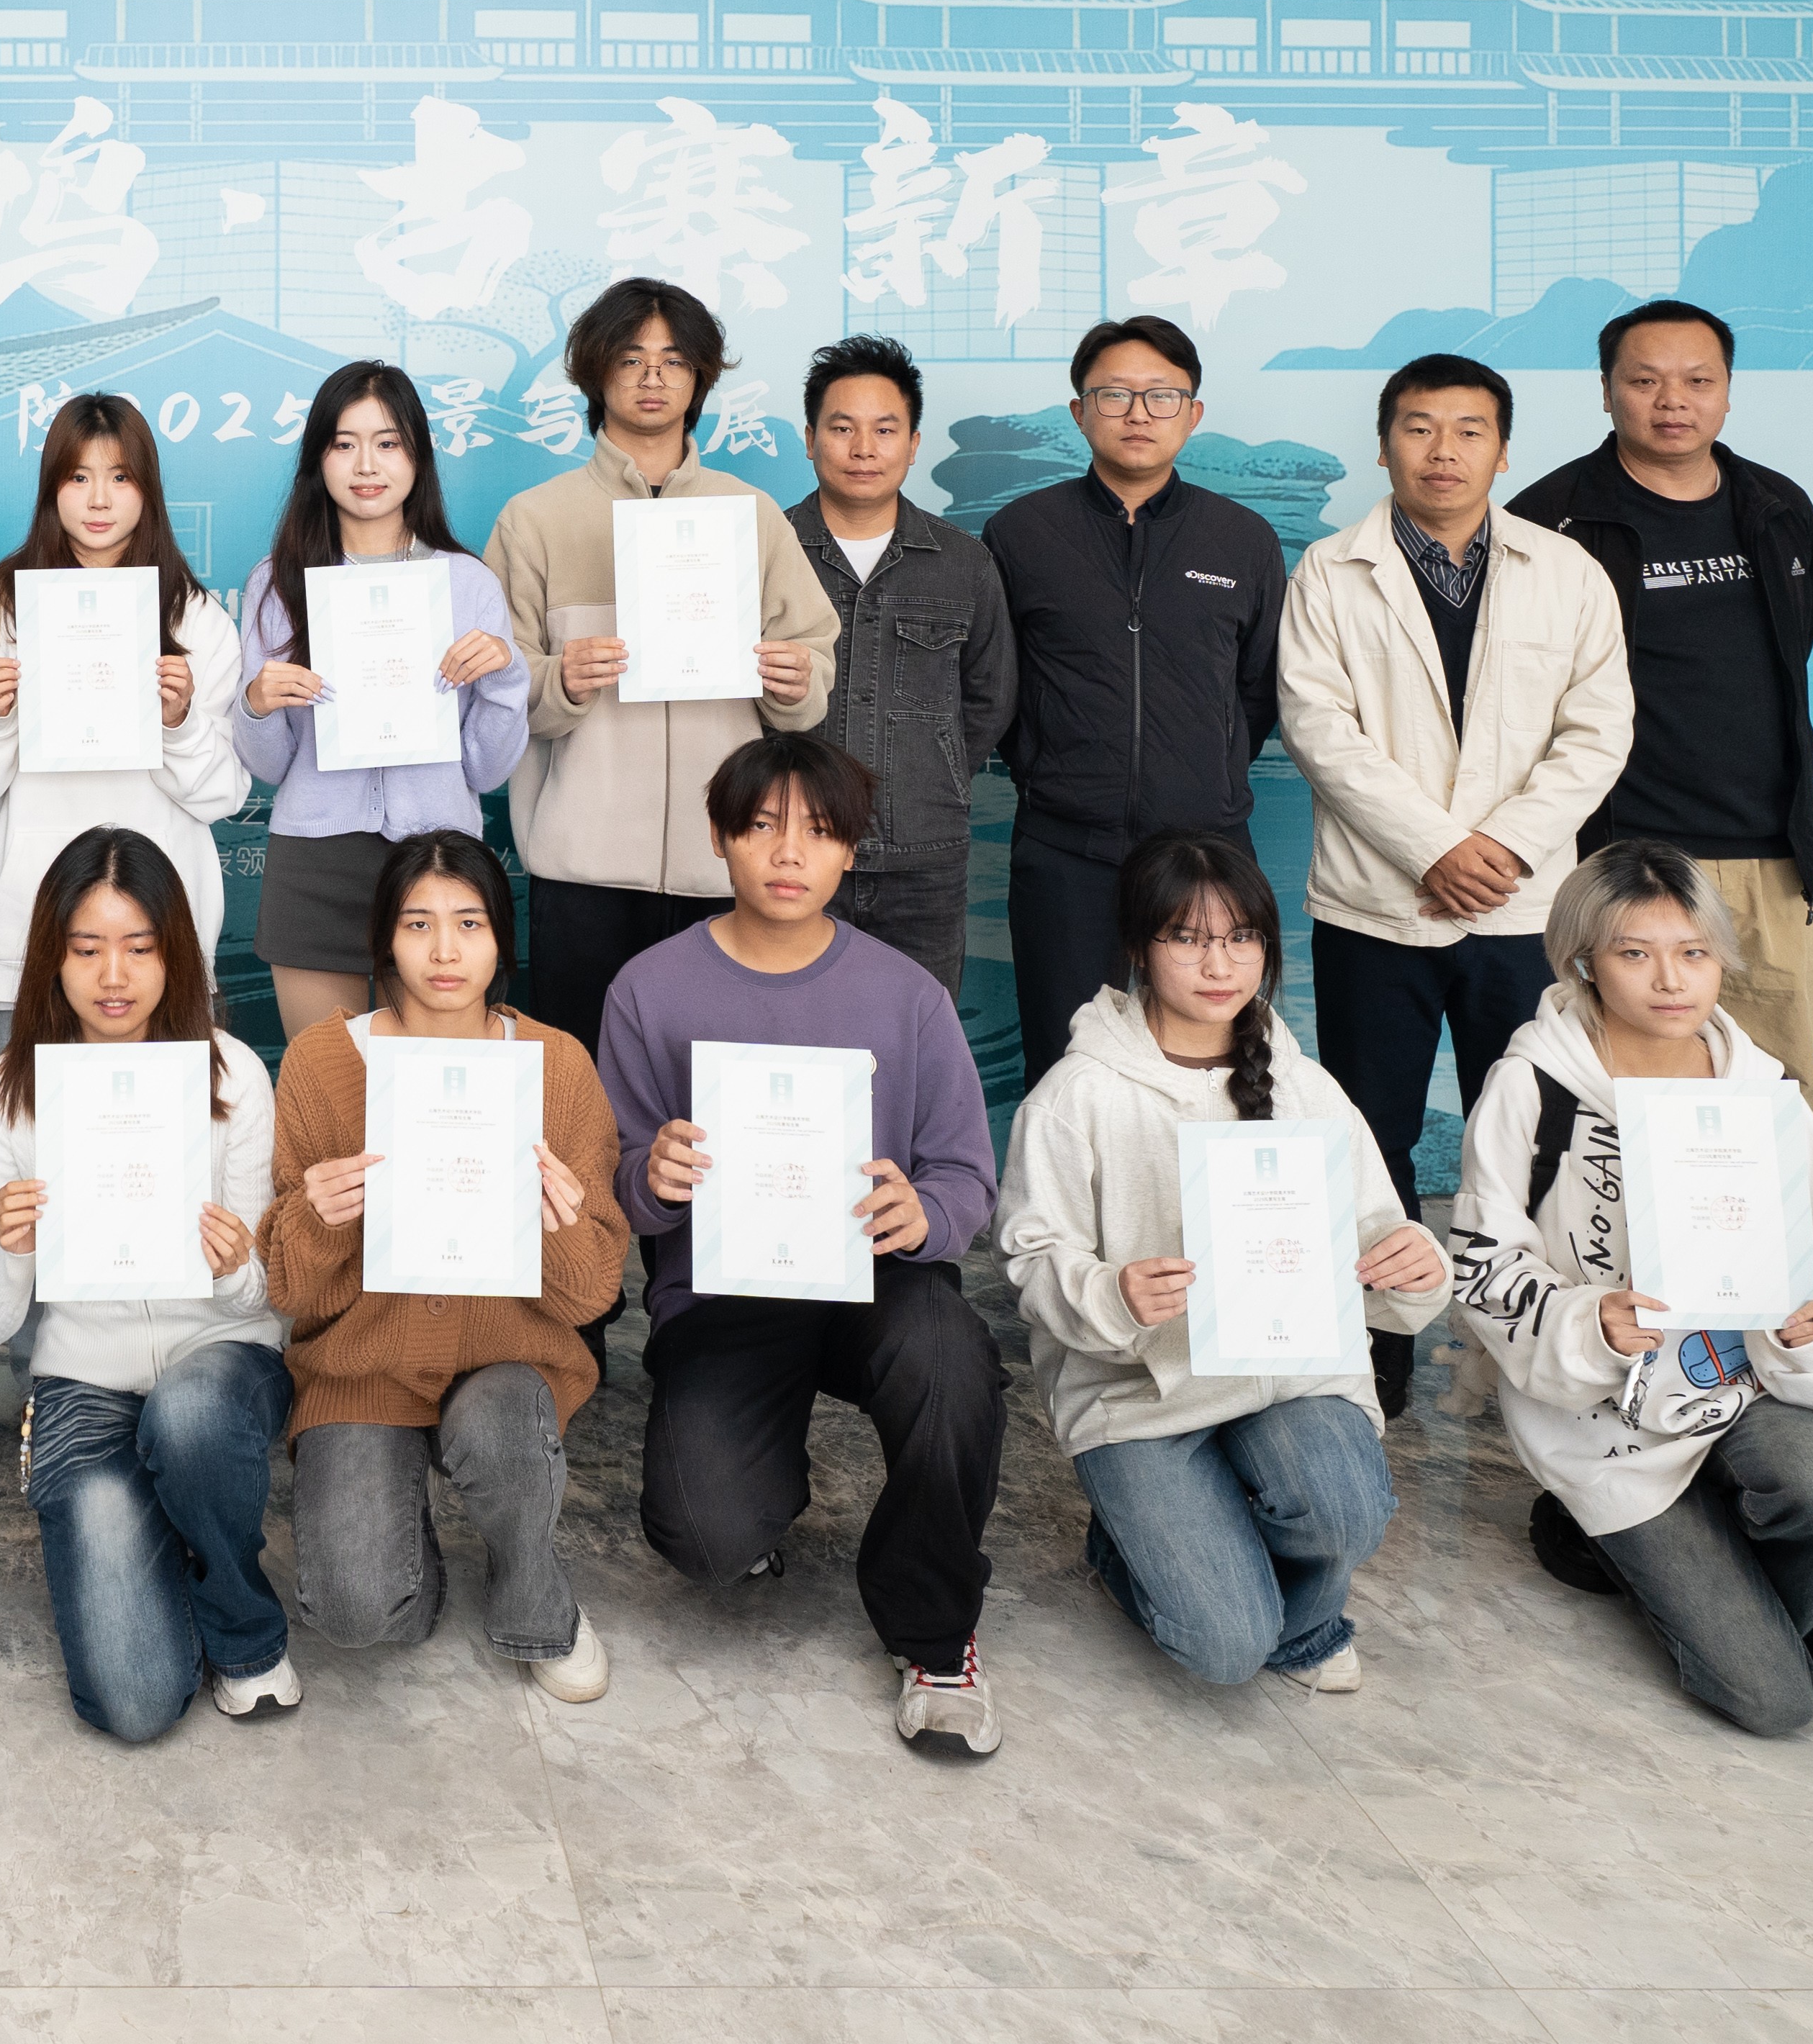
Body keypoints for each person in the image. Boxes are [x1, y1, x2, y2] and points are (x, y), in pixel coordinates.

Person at [1510, 302, 1813, 1421]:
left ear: (1728, 389)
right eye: (1644, 379)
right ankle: (1587, 1342)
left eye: (1696, 379)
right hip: (1619, 862)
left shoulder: (1776, 508)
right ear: (1604, 390)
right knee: (1611, 1118)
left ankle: (1812, 1347)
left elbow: (1793, 655)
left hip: (1767, 858)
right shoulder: (1552, 517)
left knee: (1781, 1111)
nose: (1671, 400)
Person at [597, 733, 1010, 1756]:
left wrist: (925, 1214)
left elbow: (966, 1174)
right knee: (704, 1535)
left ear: (850, 852)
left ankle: (934, 1632)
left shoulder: (906, 995)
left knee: (952, 1358)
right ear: (719, 838)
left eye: (820, 833)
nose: (789, 853)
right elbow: (615, 1177)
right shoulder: (649, 989)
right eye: (761, 827)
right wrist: (650, 1176)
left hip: (878, 1280)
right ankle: (760, 1487)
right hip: (724, 1292)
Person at [1449, 841, 1813, 1736]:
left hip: (1746, 1385)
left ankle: (1775, 1583)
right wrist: (1588, 1321)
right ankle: (1599, 1532)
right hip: (1605, 1415)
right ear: (1584, 960)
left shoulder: (1763, 1093)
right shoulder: (1535, 1085)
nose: (1670, 980)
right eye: (1634, 953)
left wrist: (1810, 1330)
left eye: (1693, 952)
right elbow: (1482, 1263)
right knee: (1773, 1701)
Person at [995, 829, 1449, 1696]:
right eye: (1187, 938)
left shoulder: (1304, 1086)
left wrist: (1414, 1262)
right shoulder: (1076, 1095)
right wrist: (1110, 1292)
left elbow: (1375, 1225)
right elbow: (1028, 1254)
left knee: (1344, 1509)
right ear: (1138, 946)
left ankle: (1306, 1625)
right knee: (1224, 1648)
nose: (1219, 964)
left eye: (1241, 938)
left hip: (1290, 1377)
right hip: (1140, 1396)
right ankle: (1124, 1543)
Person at [1278, 353, 1630, 1418]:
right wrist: (1433, 847)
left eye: (1469, 430)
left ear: (1502, 450)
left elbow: (1597, 729)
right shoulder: (1329, 570)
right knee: (1371, 1132)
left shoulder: (1565, 571)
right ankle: (1378, 1341)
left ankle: (1516, 1342)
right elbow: (1318, 727)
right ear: (1384, 445)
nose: (1444, 450)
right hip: (1375, 902)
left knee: (1523, 1130)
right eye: (1420, 427)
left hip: (1520, 906)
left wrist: (1504, 848)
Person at [260, 830, 627, 1701]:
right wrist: (314, 1216)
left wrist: (560, 1224)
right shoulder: (321, 1062)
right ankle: (410, 1536)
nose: (444, 951)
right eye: (417, 924)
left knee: (498, 1426)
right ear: (384, 939)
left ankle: (535, 1594)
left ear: (501, 939)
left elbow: (590, 1297)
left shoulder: (556, 1066)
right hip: (363, 1368)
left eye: (469, 923)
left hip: (509, 1361)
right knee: (356, 1611)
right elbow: (288, 1288)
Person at [0, 826, 293, 1738]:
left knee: (188, 1418)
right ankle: (163, 1509)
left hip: (220, 1360)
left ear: (174, 952)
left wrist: (234, 1268)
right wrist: (12, 1249)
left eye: (139, 948)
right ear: (51, 957)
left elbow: (271, 1298)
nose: (113, 976)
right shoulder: (4, 1092)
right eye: (86, 950)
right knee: (136, 1704)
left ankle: (244, 1631)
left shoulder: (232, 1074)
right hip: (84, 1379)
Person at [483, 277, 837, 1054]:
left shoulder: (749, 514)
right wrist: (558, 681)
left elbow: (812, 665)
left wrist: (794, 682)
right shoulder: (534, 519)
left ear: (699, 377)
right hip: (582, 871)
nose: (652, 376)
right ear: (595, 372)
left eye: (674, 360)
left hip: (724, 867)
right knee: (581, 1084)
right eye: (630, 358)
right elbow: (497, 688)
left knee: (711, 1088)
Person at [985, 314, 1284, 1087]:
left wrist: (1207, 770)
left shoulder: (1241, 539)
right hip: (1064, 849)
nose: (1138, 413)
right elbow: (997, 684)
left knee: (1213, 1060)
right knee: (1065, 1064)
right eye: (1114, 394)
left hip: (1207, 849)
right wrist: (1047, 767)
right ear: (1079, 411)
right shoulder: (1020, 533)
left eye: (1161, 396)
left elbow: (1258, 689)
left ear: (1193, 412)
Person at [0, 392, 245, 1046]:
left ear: (147, 489)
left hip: (156, 930)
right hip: (28, 919)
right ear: (51, 487)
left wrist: (179, 722)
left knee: (163, 1109)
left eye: (120, 477)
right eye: (78, 477)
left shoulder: (194, 617)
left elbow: (221, 795)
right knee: (28, 1107)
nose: (99, 500)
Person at [236, 361, 531, 1039]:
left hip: (438, 863)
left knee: (428, 1080)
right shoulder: (276, 583)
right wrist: (256, 704)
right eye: (344, 443)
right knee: (326, 1078)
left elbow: (486, 769)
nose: (366, 464)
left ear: (417, 456)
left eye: (388, 442)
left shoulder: (467, 582)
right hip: (315, 857)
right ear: (318, 459)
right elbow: (269, 766)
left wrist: (504, 677)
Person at [782, 334, 1015, 995]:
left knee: (916, 1037)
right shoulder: (765, 550)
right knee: (789, 1036)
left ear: (913, 444)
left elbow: (989, 699)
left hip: (923, 860)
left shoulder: (964, 563)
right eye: (841, 428)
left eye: (884, 430)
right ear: (810, 439)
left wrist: (929, 768)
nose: (863, 448)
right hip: (789, 855)